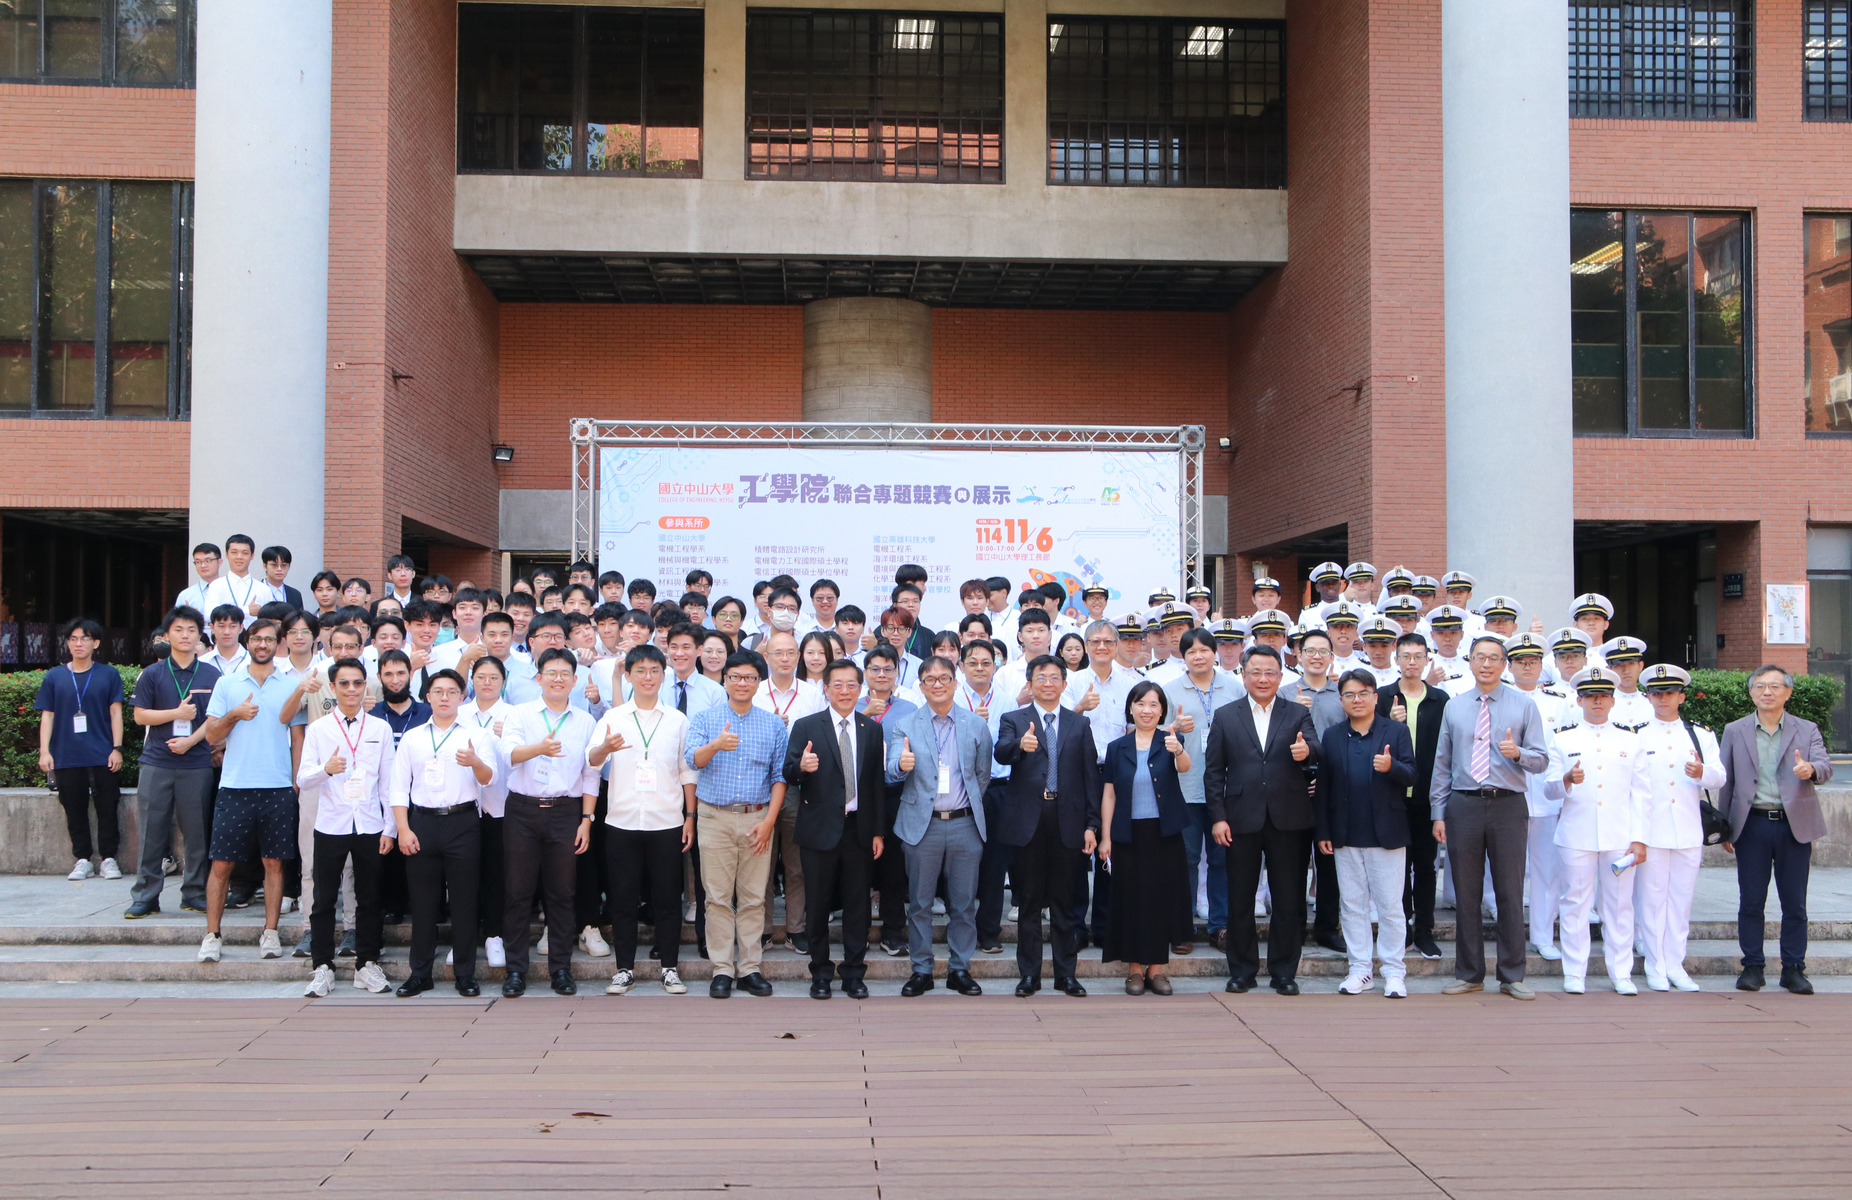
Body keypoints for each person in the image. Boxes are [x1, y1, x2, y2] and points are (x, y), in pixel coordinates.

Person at [1428, 634, 1549, 1000]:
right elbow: (1442, 763)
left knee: (1510, 891)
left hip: (1509, 805)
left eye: (1494, 658)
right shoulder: (1456, 706)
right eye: (1480, 657)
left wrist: (1519, 754)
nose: (1486, 664)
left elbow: (1542, 759)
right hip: (1463, 804)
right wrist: (1439, 812)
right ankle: (1469, 972)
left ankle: (1513, 975)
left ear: (1505, 663)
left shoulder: (1523, 705)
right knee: (1466, 892)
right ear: (1470, 661)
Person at [1203, 644, 1321, 995]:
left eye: (1271, 672)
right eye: (1256, 671)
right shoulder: (1226, 715)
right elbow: (1213, 773)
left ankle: (1284, 972)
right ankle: (1242, 971)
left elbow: (1317, 747)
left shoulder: (1296, 713)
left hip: (1289, 817)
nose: (1264, 678)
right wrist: (1218, 818)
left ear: (1281, 676)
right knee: (1240, 898)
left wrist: (1307, 752)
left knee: (1288, 899)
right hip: (1240, 819)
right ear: (1244, 675)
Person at [587, 644, 697, 997]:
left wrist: (690, 817)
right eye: (641, 671)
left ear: (663, 676)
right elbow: (591, 761)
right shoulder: (613, 717)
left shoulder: (677, 720)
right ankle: (624, 970)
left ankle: (669, 968)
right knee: (622, 899)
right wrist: (605, 749)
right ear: (629, 675)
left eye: (654, 671)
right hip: (622, 821)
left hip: (666, 821)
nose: (648, 677)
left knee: (667, 899)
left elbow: (687, 771)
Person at [1719, 664, 1835, 995]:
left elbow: (1826, 768)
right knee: (1751, 900)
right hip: (1751, 825)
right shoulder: (1735, 730)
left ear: (1788, 692)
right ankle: (1752, 966)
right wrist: (1726, 828)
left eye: (1774, 686)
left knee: (1795, 902)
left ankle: (1794, 968)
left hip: (1793, 826)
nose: (1767, 692)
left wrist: (1810, 768)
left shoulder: (1806, 729)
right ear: (1752, 692)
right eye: (1760, 686)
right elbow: (1726, 781)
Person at [886, 655, 994, 997]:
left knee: (963, 904)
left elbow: (982, 776)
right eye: (929, 679)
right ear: (920, 686)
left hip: (964, 825)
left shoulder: (975, 724)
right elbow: (891, 768)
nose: (937, 684)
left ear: (954, 682)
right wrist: (901, 766)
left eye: (944, 678)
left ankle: (960, 969)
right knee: (919, 903)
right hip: (922, 826)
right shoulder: (905, 724)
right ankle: (921, 970)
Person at [995, 654, 1101, 997]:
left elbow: (1090, 779)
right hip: (1028, 820)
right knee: (1027, 901)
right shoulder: (1014, 719)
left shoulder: (1079, 725)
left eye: (1055, 677)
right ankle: (1029, 975)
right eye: (1041, 678)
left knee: (1064, 903)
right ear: (1030, 684)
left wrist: (1091, 825)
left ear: (1064, 684)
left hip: (1067, 820)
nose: (1048, 683)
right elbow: (1000, 753)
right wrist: (1019, 747)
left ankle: (1066, 974)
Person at [497, 646, 601, 998]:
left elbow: (591, 774)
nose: (558, 679)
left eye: (565, 674)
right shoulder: (520, 714)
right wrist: (538, 748)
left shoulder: (585, 721)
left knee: (562, 894)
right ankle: (515, 970)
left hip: (566, 812)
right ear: (538, 678)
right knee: (517, 893)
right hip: (522, 811)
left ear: (575, 680)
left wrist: (587, 820)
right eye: (551, 673)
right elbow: (509, 755)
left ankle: (560, 968)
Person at [685, 651, 790, 998]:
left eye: (749, 678)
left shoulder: (773, 724)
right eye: (735, 677)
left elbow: (779, 777)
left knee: (753, 898)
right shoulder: (705, 718)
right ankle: (721, 969)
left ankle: (750, 967)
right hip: (713, 817)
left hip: (757, 818)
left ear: (759, 682)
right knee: (715, 898)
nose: (742, 683)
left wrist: (769, 821)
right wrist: (716, 744)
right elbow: (693, 760)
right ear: (725, 679)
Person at [781, 658, 887, 999]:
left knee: (858, 906)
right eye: (837, 685)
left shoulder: (871, 728)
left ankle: (855, 972)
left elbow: (875, 784)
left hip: (859, 830)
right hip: (818, 830)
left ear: (861, 689)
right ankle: (821, 973)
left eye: (851, 685)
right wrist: (802, 767)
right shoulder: (807, 726)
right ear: (825, 689)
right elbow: (788, 772)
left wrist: (878, 832)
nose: (844, 691)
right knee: (819, 904)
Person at [388, 668, 497, 997]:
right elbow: (397, 787)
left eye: (452, 692)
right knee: (423, 903)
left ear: (463, 697)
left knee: (464, 902)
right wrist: (403, 829)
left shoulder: (476, 734)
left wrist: (475, 761)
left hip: (463, 822)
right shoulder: (413, 737)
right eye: (439, 691)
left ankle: (465, 973)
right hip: (421, 823)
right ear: (427, 697)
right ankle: (420, 973)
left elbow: (489, 779)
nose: (445, 697)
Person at [198, 618, 299, 964]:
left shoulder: (291, 685)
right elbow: (212, 735)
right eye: (256, 639)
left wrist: (297, 779)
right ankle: (212, 935)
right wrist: (235, 715)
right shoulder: (227, 683)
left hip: (277, 786)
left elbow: (298, 737)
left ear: (278, 644)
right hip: (235, 786)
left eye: (269, 639)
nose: (262, 645)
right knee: (221, 864)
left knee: (274, 863)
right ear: (247, 642)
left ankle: (270, 932)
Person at [294, 657, 395, 996]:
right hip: (331, 823)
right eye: (344, 683)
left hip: (369, 823)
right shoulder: (319, 730)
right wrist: (327, 768)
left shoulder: (379, 729)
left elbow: (388, 782)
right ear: (333, 688)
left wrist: (390, 828)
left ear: (366, 687)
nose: (351, 689)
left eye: (357, 683)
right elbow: (303, 780)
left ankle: (366, 964)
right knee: (324, 899)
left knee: (370, 897)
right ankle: (322, 966)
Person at [1315, 669, 1415, 997]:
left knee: (1389, 906)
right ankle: (1360, 969)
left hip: (1386, 832)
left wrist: (1392, 768)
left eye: (1363, 693)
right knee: (1353, 904)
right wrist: (1324, 831)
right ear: (1341, 700)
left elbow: (1413, 774)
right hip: (1345, 833)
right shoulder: (1332, 735)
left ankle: (1393, 971)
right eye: (1349, 695)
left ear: (1375, 696)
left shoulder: (1396, 731)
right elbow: (1325, 787)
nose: (1357, 700)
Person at [1552, 666, 1651, 995]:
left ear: (1612, 701)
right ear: (1579, 700)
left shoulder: (1630, 740)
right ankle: (1574, 972)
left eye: (1603, 696)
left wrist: (1639, 839)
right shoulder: (1563, 739)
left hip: (1619, 836)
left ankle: (1621, 972)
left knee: (1619, 905)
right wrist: (1566, 779)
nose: (1597, 702)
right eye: (1591, 696)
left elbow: (1642, 795)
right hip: (1575, 834)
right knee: (1575, 904)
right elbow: (1548, 789)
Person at [125, 607, 221, 917]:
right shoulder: (152, 673)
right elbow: (140, 715)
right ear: (167, 636)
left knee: (197, 833)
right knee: (152, 830)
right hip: (156, 762)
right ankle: (146, 895)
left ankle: (194, 892)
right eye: (178, 629)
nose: (185, 635)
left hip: (196, 763)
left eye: (191, 630)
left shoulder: (210, 674)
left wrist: (191, 741)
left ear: (199, 636)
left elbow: (215, 719)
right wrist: (176, 715)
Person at [1634, 664, 1725, 992]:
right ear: (1648, 696)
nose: (1662, 699)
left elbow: (1720, 776)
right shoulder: (1637, 733)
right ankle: (1655, 965)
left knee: (1681, 900)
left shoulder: (1699, 733)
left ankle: (1676, 964)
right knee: (1652, 899)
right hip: (1652, 830)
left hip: (1687, 829)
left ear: (1681, 696)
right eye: (1656, 693)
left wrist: (1702, 772)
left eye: (1669, 693)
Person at [1099, 681, 1193, 995]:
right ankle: (1134, 971)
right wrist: (1105, 837)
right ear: (1131, 708)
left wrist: (1178, 748)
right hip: (1127, 834)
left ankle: (1157, 970)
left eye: (1153, 704)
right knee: (1130, 901)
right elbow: (1109, 793)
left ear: (1162, 710)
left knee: (1162, 900)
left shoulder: (1169, 739)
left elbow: (1185, 767)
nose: (1147, 710)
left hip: (1163, 833)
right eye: (1141, 704)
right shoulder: (1117, 747)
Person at [1164, 627, 1244, 951]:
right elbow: (1155, 734)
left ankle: (1220, 925)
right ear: (1183, 657)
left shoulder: (1235, 688)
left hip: (1226, 790)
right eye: (1191, 651)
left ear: (1215, 653)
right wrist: (1174, 729)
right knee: (1186, 858)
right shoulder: (1170, 690)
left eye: (1204, 650)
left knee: (1222, 859)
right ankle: (1183, 926)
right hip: (1185, 787)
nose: (1198, 656)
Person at [36, 618, 126, 882]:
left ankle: (109, 859)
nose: (78, 643)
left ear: (96, 643)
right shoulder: (54, 676)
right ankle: (83, 859)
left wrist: (116, 748)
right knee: (73, 808)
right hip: (66, 754)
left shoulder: (108, 674)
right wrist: (45, 751)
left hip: (102, 753)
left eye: (85, 638)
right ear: (67, 643)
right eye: (73, 638)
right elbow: (47, 716)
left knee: (108, 806)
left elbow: (115, 713)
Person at [752, 628, 822, 949]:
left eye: (790, 653)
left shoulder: (811, 694)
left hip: (797, 788)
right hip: (760, 788)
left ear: (798, 657)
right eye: (777, 653)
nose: (784, 658)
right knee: (761, 864)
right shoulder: (753, 692)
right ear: (766, 657)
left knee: (796, 864)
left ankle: (795, 928)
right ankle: (763, 928)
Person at [1504, 632, 1572, 962]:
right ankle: (1510, 934)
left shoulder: (1560, 702)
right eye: (1521, 662)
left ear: (1541, 665)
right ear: (1511, 665)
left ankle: (1543, 935)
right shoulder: (1499, 699)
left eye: (1533, 662)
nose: (1527, 667)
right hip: (1507, 797)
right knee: (1507, 873)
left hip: (1546, 800)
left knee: (1547, 873)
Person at [858, 643, 919, 955]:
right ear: (865, 673)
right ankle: (857, 930)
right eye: (875, 669)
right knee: (859, 865)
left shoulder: (910, 710)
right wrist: (863, 716)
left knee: (895, 866)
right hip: (857, 797)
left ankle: (893, 930)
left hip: (896, 794)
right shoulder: (851, 705)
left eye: (888, 669)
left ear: (897, 673)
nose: (882, 675)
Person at [466, 653, 515, 971]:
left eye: (494, 677)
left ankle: (494, 936)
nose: (487, 682)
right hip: (463, 809)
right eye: (481, 676)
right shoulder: (458, 713)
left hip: (501, 807)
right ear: (472, 681)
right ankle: (465, 939)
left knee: (497, 876)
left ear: (503, 682)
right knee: (465, 877)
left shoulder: (513, 715)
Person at [177, 543, 221, 612]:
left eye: (208, 561)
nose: (203, 565)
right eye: (198, 562)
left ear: (220, 562)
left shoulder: (230, 590)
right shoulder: (185, 595)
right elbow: (177, 622)